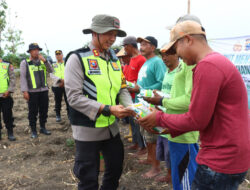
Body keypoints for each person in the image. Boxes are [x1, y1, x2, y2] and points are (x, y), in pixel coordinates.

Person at [139, 21, 250, 190]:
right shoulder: (216, 62)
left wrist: (159, 118)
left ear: (188, 40)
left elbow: (196, 120)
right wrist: (173, 128)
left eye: (176, 48)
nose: (177, 54)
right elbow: (207, 116)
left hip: (220, 158)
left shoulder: (207, 65)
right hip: (231, 154)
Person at [64, 14, 134, 190]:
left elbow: (122, 88)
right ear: (94, 33)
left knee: (116, 169)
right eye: (107, 33)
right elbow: (74, 97)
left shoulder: (113, 59)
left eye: (115, 34)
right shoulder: (77, 58)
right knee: (88, 178)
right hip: (87, 128)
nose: (112, 38)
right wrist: (107, 109)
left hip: (111, 128)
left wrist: (132, 108)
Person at [129, 36, 166, 178]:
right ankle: (150, 159)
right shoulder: (146, 62)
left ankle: (156, 168)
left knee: (152, 135)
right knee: (146, 135)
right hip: (143, 103)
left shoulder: (157, 62)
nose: (141, 46)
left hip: (151, 104)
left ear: (153, 47)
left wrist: (142, 89)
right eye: (141, 44)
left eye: (145, 44)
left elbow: (161, 83)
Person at [20, 43, 54, 138]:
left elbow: (51, 71)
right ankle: (33, 130)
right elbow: (23, 78)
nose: (36, 52)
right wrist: (25, 91)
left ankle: (43, 127)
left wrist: (46, 61)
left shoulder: (43, 61)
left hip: (44, 91)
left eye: (37, 50)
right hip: (32, 92)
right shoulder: (25, 63)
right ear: (30, 52)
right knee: (33, 112)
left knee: (44, 110)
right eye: (34, 50)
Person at [122, 36, 146, 155]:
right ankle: (136, 142)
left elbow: (142, 78)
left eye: (125, 46)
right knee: (132, 121)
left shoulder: (141, 59)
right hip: (129, 94)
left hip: (137, 94)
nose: (124, 49)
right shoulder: (132, 59)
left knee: (138, 120)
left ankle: (143, 146)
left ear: (131, 46)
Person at [50, 50, 69, 122]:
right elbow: (51, 75)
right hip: (57, 85)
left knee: (68, 101)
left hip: (67, 85)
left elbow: (70, 73)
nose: (58, 56)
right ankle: (58, 115)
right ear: (55, 56)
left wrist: (64, 81)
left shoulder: (67, 64)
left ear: (62, 55)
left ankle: (69, 115)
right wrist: (60, 80)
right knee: (58, 101)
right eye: (56, 55)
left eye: (59, 54)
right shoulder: (53, 65)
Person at [0, 59, 16, 141]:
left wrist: (9, 90)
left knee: (7, 114)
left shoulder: (6, 65)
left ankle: (10, 132)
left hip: (5, 95)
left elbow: (12, 78)